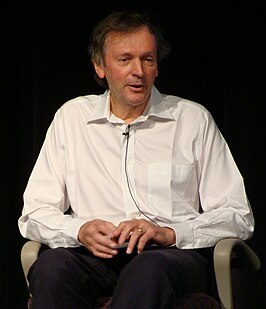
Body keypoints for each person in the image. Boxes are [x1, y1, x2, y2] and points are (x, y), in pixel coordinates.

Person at [18, 11, 254, 309]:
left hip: (169, 258)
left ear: (157, 67)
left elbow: (236, 215)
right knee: (53, 267)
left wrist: (170, 233)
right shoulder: (72, 118)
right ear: (100, 67)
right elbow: (35, 211)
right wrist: (78, 230)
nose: (138, 71)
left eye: (148, 59)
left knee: (148, 268)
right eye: (124, 59)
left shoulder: (192, 120)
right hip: (94, 257)